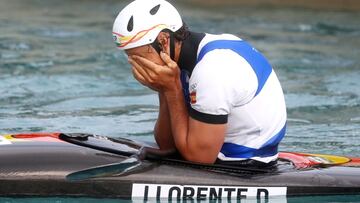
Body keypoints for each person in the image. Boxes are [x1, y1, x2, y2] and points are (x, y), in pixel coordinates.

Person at [112, 0, 287, 167]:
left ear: (163, 41)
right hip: (217, 151)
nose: (136, 65)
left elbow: (200, 159)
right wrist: (164, 88)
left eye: (139, 57)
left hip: (246, 163)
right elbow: (168, 144)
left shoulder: (213, 68)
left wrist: (172, 89)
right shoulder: (182, 61)